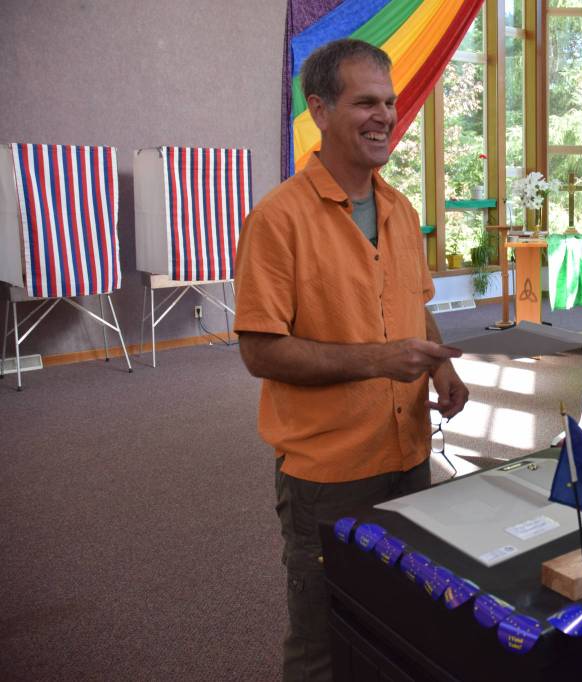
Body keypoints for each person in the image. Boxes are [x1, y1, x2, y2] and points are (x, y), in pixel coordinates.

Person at [233, 39, 469, 681]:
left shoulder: (400, 210)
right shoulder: (276, 219)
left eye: (390, 102)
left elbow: (416, 305)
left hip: (410, 456)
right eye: (366, 101)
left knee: (402, 617)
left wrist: (441, 367)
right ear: (319, 109)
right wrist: (377, 360)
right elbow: (259, 350)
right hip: (328, 475)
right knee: (323, 639)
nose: (385, 116)